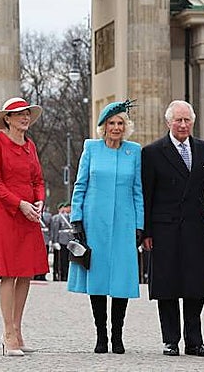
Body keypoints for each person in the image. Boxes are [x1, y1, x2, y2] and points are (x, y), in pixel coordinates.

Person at [141, 100, 204, 357]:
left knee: (195, 286)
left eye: (187, 120)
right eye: (178, 120)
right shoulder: (153, 152)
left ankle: (194, 341)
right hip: (164, 229)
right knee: (167, 286)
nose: (183, 125)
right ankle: (171, 340)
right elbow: (147, 195)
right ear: (169, 122)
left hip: (195, 227)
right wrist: (146, 232)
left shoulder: (203, 149)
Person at [67, 99, 144, 355]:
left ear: (126, 126)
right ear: (104, 126)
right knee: (98, 278)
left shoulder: (134, 151)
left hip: (124, 222)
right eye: (112, 123)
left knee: (121, 278)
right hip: (94, 222)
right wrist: (76, 218)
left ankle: (117, 336)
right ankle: (101, 335)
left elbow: (138, 190)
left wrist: (139, 224)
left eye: (120, 123)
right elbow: (80, 185)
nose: (116, 127)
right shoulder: (91, 148)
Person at [0, 97, 49, 357]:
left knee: (26, 272)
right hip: (8, 213)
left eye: (27, 113)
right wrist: (20, 204)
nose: (25, 117)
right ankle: (8, 333)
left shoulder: (30, 145)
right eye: (19, 114)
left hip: (29, 214)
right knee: (8, 273)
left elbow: (38, 180)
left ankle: (18, 330)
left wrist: (39, 200)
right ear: (7, 119)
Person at [49, 203, 74, 282]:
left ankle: (68, 275)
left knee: (69, 259)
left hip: (70, 240)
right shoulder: (59, 217)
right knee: (63, 259)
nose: (69, 209)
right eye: (68, 207)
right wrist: (55, 241)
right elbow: (56, 229)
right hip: (62, 240)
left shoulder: (71, 216)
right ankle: (63, 275)